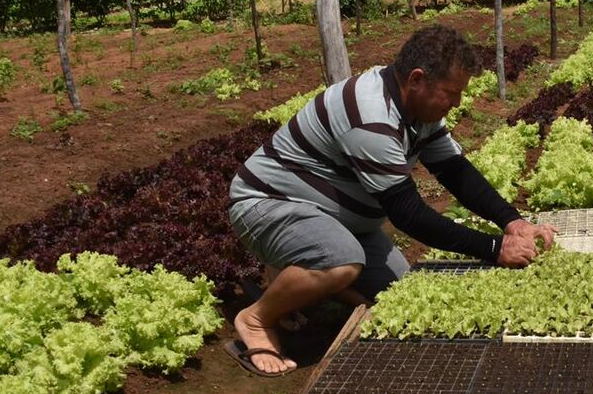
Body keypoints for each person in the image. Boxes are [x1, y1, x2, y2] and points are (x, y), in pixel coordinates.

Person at [226, 25, 555, 375]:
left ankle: (300, 274)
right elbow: (408, 214)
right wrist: (494, 248)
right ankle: (257, 320)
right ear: (417, 80)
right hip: (268, 205)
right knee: (341, 260)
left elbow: (455, 172)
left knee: (397, 297)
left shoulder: (417, 113)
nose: (458, 103)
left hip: (337, 221)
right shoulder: (370, 115)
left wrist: (513, 221)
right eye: (451, 93)